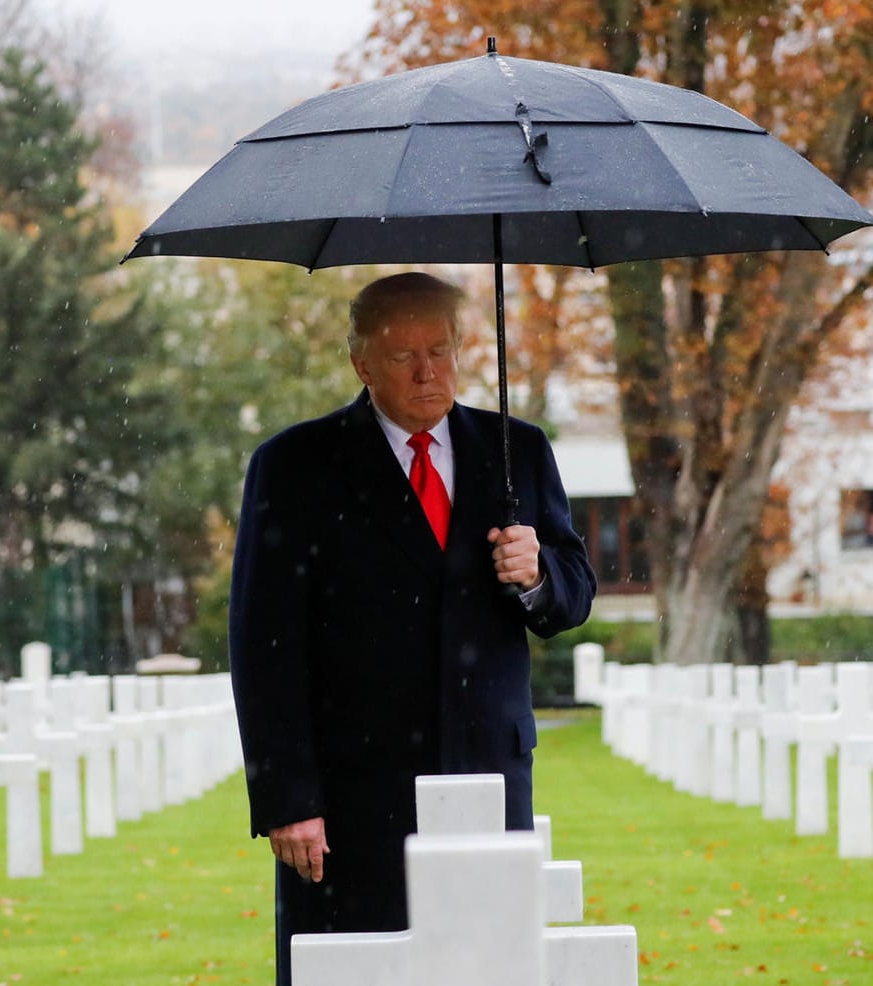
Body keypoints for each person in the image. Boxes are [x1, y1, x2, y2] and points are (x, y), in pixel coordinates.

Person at [228, 271, 597, 985]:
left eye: (442, 349)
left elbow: (573, 594)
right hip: (349, 797)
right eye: (403, 357)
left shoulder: (518, 450)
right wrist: (288, 800)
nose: (429, 371)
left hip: (486, 775)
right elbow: (263, 646)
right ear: (361, 364)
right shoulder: (294, 467)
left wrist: (538, 572)